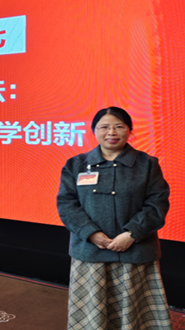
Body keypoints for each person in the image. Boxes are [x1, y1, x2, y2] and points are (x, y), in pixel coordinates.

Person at [56, 106, 172, 330]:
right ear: (94, 131)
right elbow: (67, 204)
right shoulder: (76, 165)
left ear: (130, 130)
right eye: (104, 127)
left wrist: (132, 234)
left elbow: (157, 204)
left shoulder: (147, 164)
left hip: (135, 250)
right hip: (90, 250)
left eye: (119, 126)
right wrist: (91, 233)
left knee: (133, 312)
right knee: (93, 313)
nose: (112, 132)